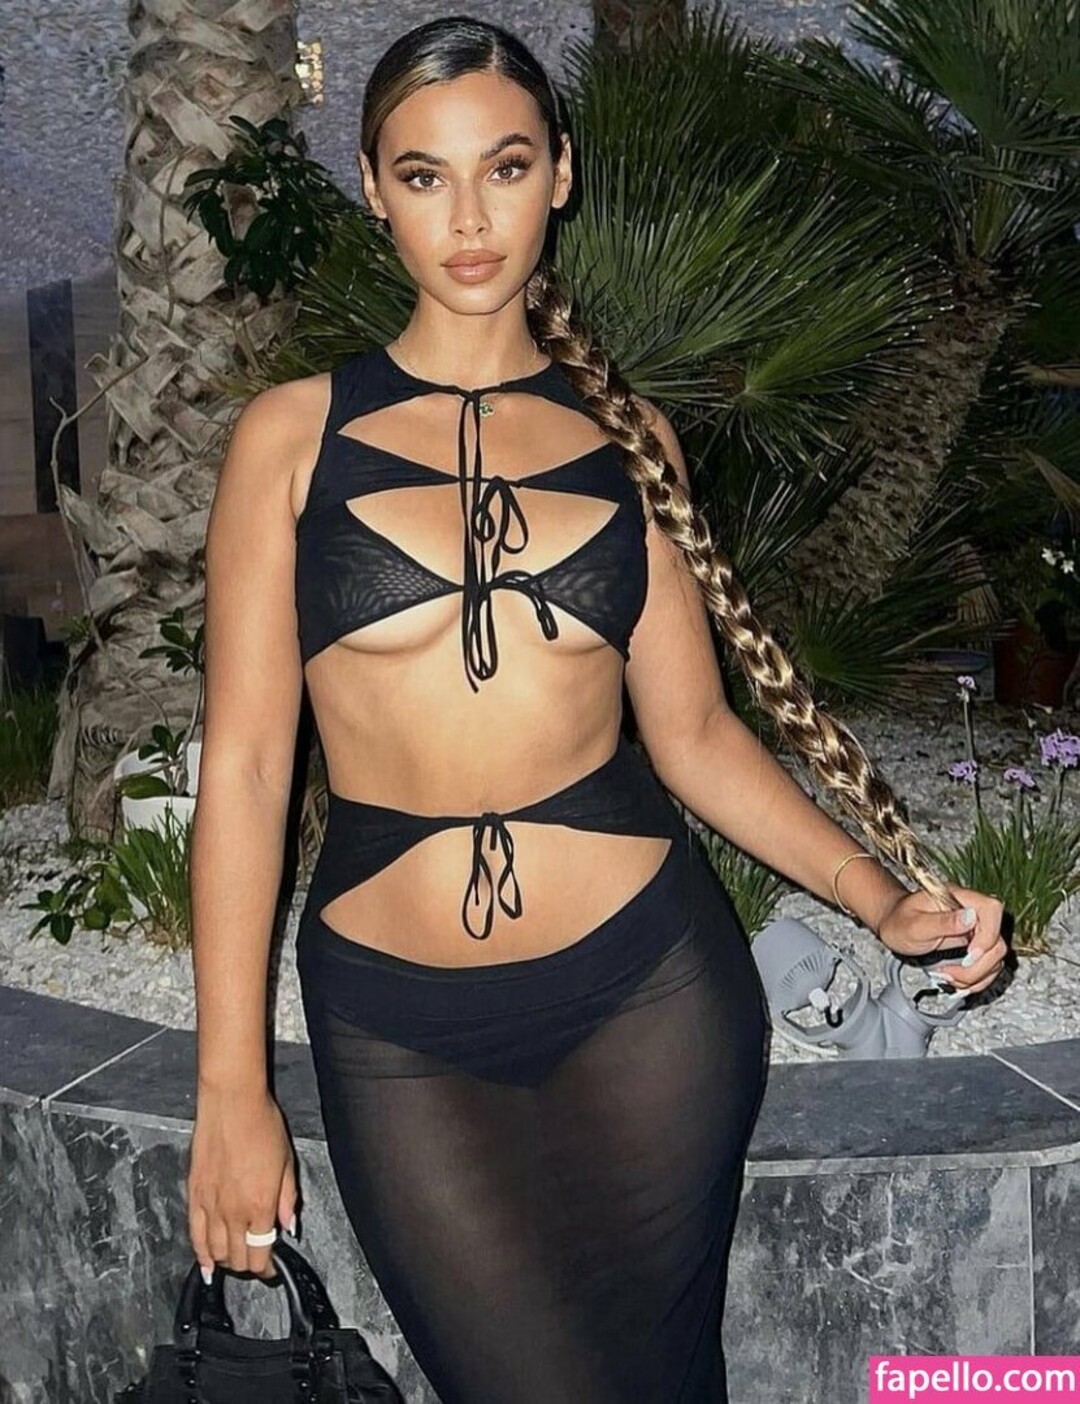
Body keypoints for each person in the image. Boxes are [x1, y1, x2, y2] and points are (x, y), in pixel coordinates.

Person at [184, 16, 1007, 1402]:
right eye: (425, 175)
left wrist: (881, 896)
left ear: (558, 175)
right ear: (374, 189)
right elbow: (253, 769)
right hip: (400, 1027)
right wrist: (229, 1087)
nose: (469, 218)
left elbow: (696, 736)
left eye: (504, 167)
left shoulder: (629, 441)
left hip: (653, 993)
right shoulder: (290, 439)